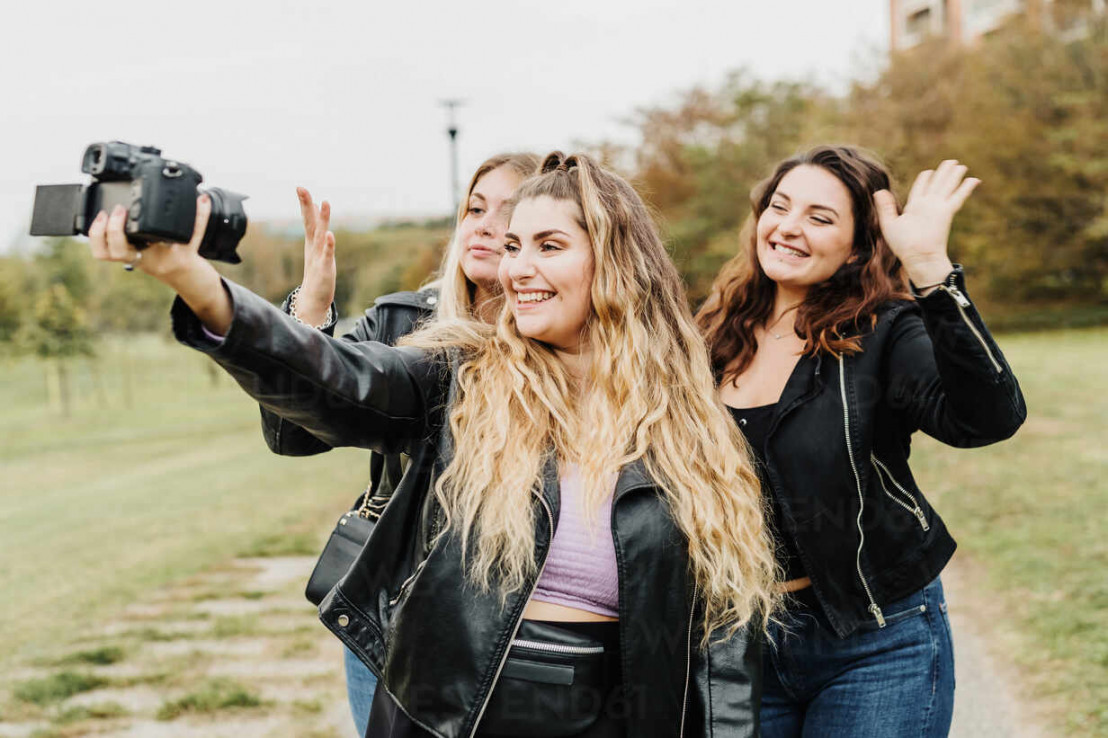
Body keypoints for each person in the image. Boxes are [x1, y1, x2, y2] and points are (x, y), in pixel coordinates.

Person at [87, 152, 780, 737]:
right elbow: (333, 380)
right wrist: (195, 281)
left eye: (549, 246)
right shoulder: (461, 376)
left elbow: (724, 645)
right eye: (513, 246)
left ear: (618, 263)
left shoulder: (691, 425)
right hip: (451, 715)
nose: (517, 269)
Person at [695, 146, 1027, 737]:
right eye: (780, 207)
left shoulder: (886, 333)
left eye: (820, 218)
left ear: (855, 247)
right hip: (743, 644)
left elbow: (987, 419)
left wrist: (929, 268)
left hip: (878, 641)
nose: (789, 228)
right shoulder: (712, 333)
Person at [261, 153, 540, 736]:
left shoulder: (560, 333)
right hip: (396, 615)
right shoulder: (400, 321)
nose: (484, 225)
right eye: (475, 207)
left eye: (508, 210)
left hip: (516, 621)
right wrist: (309, 312)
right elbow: (294, 433)